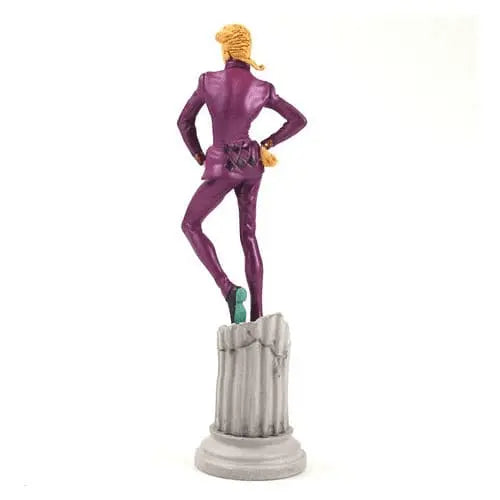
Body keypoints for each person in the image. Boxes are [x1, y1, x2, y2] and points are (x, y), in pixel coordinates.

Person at [178, 24, 307, 324]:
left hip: (223, 165)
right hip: (251, 164)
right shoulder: (263, 88)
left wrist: (198, 154)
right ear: (246, 51)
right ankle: (258, 315)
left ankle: (228, 289)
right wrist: (266, 144)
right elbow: (297, 120)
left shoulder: (208, 81)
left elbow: (184, 121)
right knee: (248, 236)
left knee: (190, 224)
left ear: (226, 50)